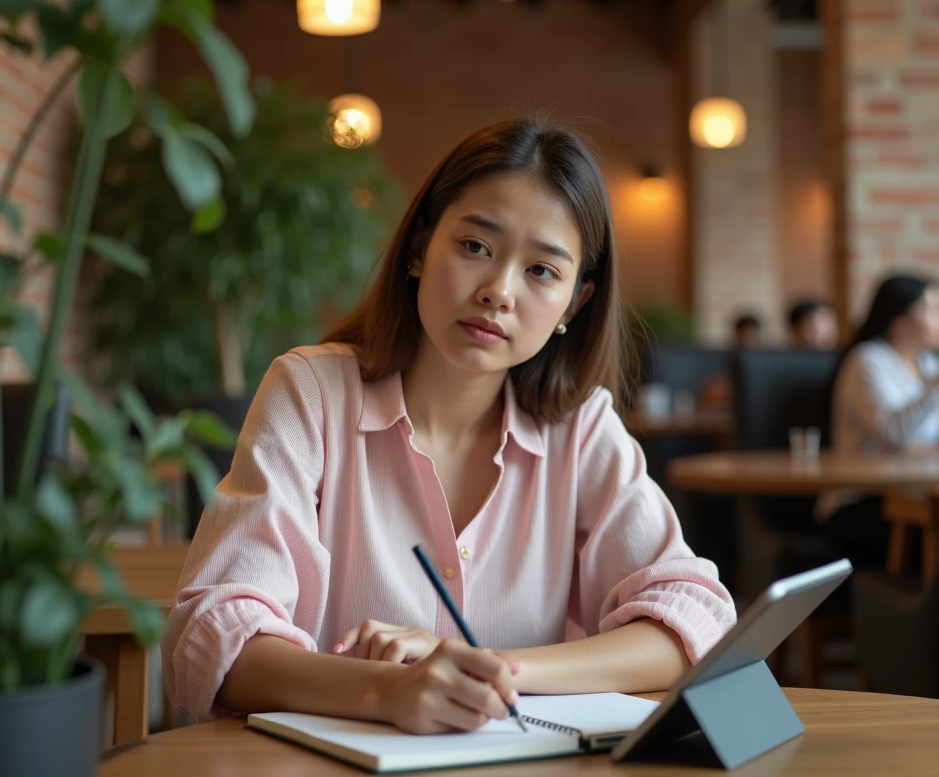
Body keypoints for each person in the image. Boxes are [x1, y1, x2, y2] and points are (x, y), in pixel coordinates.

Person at [161, 119, 737, 734]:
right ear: (418, 248)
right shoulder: (313, 393)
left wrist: (485, 671)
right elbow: (213, 635)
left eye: (542, 272)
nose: (498, 292)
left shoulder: (582, 427)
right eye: (475, 247)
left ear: (574, 303)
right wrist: (384, 691)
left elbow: (692, 621)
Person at [817, 274, 939, 565]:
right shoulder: (866, 361)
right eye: (931, 310)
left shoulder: (928, 363)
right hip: (862, 501)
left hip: (915, 496)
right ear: (899, 321)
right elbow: (894, 433)